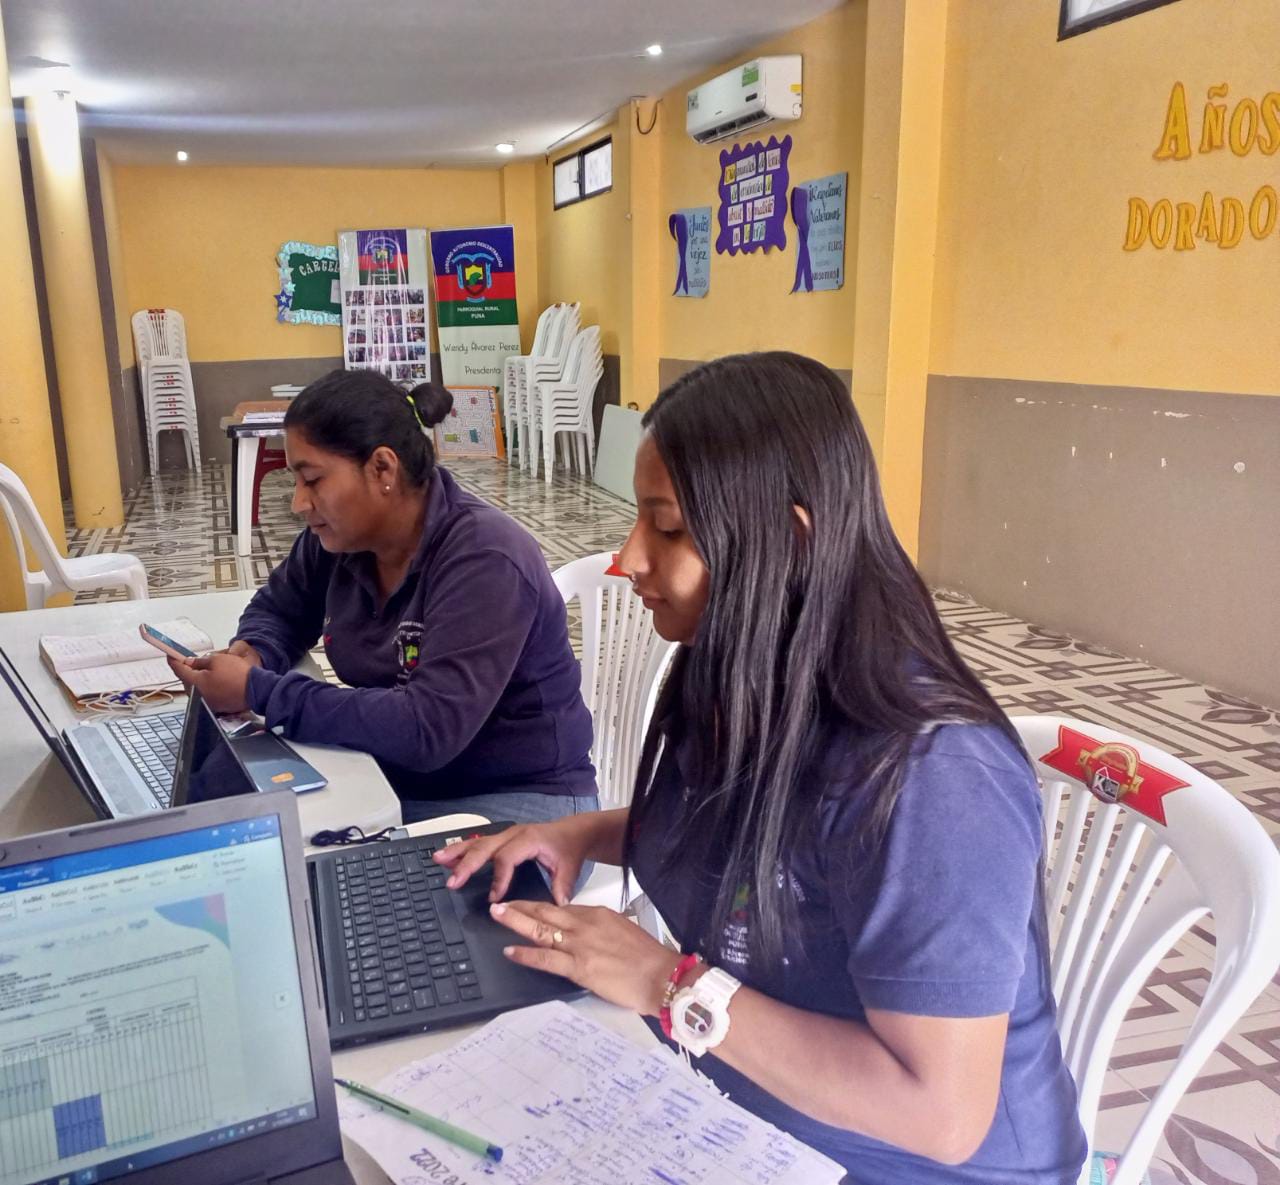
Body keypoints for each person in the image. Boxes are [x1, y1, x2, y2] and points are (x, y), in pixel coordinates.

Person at [436, 352, 1087, 1184]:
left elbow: (943, 1114)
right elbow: (755, 838)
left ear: (792, 538)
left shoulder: (932, 775)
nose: (628, 558)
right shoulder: (741, 666)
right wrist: (577, 835)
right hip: (749, 1120)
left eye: (668, 528)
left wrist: (670, 983)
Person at [168, 369, 597, 826]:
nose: (299, 503)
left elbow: (427, 728)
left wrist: (259, 691)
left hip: (520, 803)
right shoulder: (339, 540)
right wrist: (254, 652)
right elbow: (280, 609)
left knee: (317, 864)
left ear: (382, 469)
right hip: (400, 774)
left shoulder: (485, 557)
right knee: (227, 803)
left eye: (312, 480)